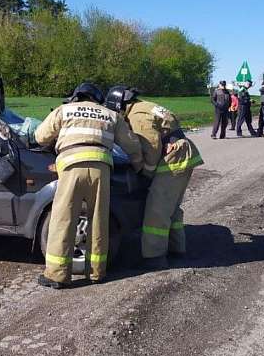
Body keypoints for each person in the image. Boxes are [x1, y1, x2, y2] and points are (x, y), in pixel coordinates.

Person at [34, 83, 143, 289]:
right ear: (97, 99)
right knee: (98, 218)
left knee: (63, 218)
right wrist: (139, 166)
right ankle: (96, 272)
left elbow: (40, 136)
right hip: (101, 169)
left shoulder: (64, 110)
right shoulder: (111, 115)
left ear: (76, 97)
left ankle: (57, 275)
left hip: (71, 166)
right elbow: (132, 145)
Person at [104, 86, 204, 269]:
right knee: (170, 208)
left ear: (119, 104)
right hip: (181, 154)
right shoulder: (145, 107)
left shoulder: (138, 117)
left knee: (156, 210)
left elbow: (150, 149)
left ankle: (154, 258)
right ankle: (176, 249)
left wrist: (145, 174)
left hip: (174, 158)